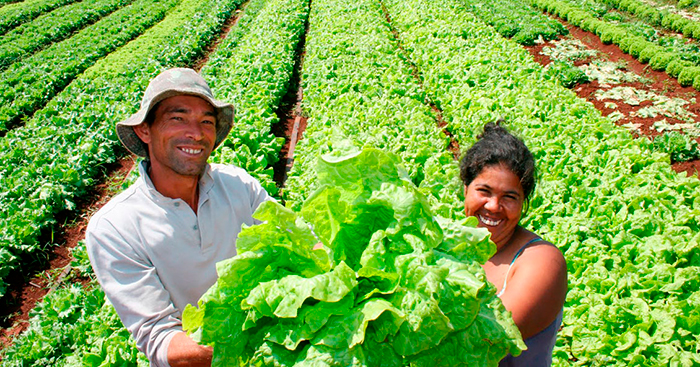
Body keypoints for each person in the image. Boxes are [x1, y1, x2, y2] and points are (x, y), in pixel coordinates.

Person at [86, 68, 272, 367]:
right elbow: (161, 339)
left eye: (206, 122)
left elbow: (299, 244)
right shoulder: (114, 228)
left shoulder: (241, 185)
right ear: (144, 130)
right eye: (178, 118)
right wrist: (256, 343)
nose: (196, 134)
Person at [459, 121, 568, 367]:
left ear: (523, 202)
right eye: (484, 191)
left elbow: (486, 340)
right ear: (466, 188)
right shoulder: (448, 244)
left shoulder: (541, 261)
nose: (493, 206)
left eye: (509, 197)